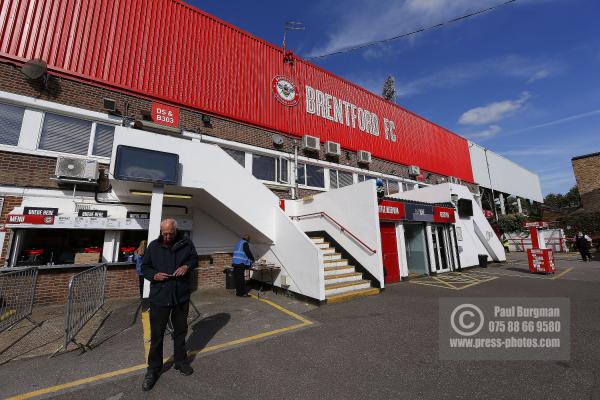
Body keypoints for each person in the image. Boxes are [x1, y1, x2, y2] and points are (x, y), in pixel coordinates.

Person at [141, 219, 198, 391]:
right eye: (164, 233)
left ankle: (180, 362)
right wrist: (154, 275)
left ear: (176, 230)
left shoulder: (186, 243)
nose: (167, 236)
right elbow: (145, 267)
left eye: (170, 233)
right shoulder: (153, 246)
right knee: (157, 336)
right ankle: (153, 369)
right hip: (160, 297)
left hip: (180, 296)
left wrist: (187, 267)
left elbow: (194, 259)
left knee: (180, 332)